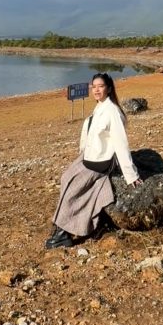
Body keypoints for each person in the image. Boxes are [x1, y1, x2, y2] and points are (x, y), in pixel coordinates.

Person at [45, 72, 142, 249]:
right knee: (66, 177)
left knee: (73, 189)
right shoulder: (99, 107)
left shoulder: (112, 111)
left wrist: (131, 174)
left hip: (101, 160)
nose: (96, 90)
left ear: (109, 88)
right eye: (94, 86)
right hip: (90, 156)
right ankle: (61, 224)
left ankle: (63, 233)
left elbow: (121, 143)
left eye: (101, 86)